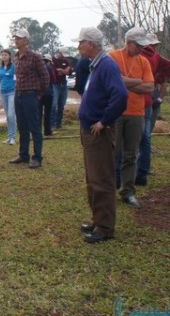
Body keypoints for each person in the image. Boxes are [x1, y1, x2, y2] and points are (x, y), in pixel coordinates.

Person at [74, 27, 128, 244]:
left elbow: (121, 95)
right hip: (89, 130)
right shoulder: (96, 65)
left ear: (91, 44)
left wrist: (104, 121)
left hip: (99, 133)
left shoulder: (106, 65)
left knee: (102, 179)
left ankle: (105, 227)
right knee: (92, 178)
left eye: (81, 42)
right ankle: (98, 219)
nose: (78, 47)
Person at [108, 27, 154, 208]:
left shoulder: (144, 61)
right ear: (129, 43)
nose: (142, 49)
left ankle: (128, 191)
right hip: (116, 113)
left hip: (137, 114)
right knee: (113, 153)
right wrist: (137, 82)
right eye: (139, 45)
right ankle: (109, 189)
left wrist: (125, 83)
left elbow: (150, 87)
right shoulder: (112, 57)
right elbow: (113, 82)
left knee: (131, 154)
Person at [136, 33, 170, 185]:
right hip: (149, 95)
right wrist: (157, 79)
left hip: (137, 97)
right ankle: (144, 169)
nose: (155, 47)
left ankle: (137, 169)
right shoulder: (155, 57)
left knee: (136, 135)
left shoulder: (137, 55)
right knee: (145, 135)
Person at [9, 28, 49, 169]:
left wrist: (38, 95)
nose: (16, 40)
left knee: (35, 127)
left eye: (19, 38)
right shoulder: (16, 57)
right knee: (22, 127)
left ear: (26, 40)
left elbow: (45, 77)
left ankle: (37, 157)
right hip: (18, 95)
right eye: (16, 38)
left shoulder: (35, 57)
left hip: (30, 96)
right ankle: (23, 155)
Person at [0, 49, 17, 145]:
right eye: (2, 55)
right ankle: (9, 137)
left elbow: (17, 79)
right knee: (7, 116)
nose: (4, 56)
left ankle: (13, 137)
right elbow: (0, 81)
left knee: (11, 115)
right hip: (3, 93)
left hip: (12, 92)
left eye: (5, 55)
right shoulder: (0, 68)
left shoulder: (14, 67)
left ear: (9, 56)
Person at [51, 47, 73, 130]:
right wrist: (64, 70)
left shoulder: (65, 61)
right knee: (53, 105)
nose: (64, 57)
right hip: (55, 85)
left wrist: (62, 70)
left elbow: (69, 71)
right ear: (59, 53)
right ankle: (52, 124)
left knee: (61, 105)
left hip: (63, 84)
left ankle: (58, 124)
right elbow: (55, 71)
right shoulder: (53, 60)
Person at [40, 54, 57, 137]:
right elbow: (54, 80)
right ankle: (47, 131)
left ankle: (38, 131)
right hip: (48, 93)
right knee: (48, 113)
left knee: (38, 113)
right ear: (49, 61)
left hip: (39, 94)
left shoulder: (37, 68)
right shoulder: (50, 68)